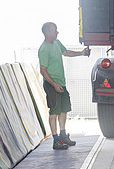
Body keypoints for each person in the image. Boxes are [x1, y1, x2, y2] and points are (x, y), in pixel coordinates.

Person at [38, 22, 90, 150]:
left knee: (64, 109)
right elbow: (43, 70)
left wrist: (81, 53)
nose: (57, 32)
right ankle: (56, 140)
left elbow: (66, 52)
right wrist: (54, 84)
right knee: (54, 112)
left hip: (61, 83)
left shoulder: (57, 43)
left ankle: (62, 135)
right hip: (52, 84)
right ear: (48, 32)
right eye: (55, 30)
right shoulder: (44, 49)